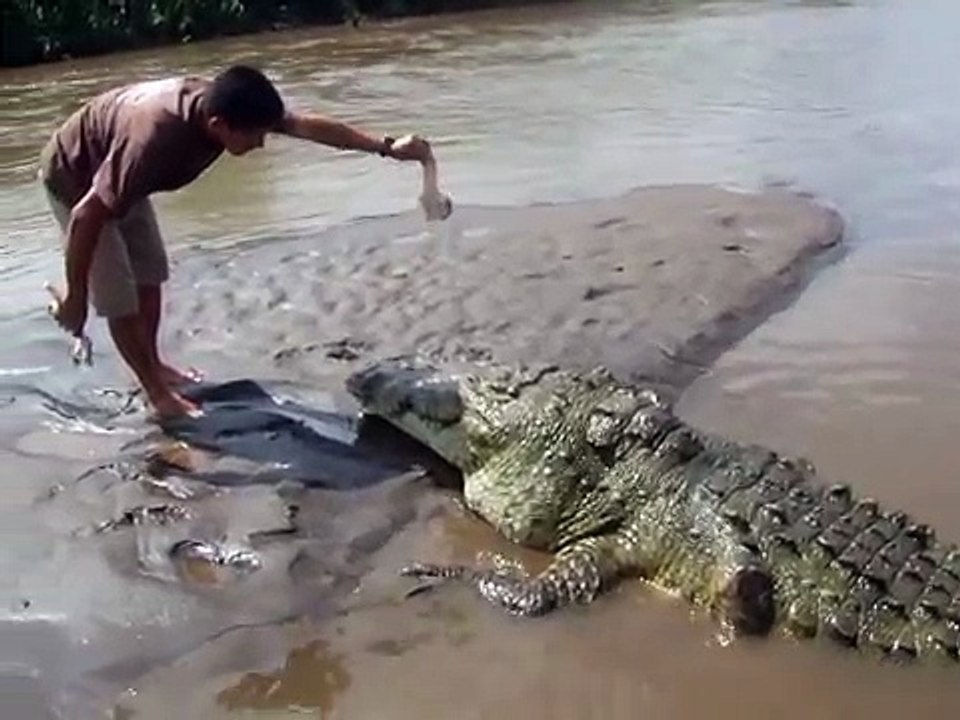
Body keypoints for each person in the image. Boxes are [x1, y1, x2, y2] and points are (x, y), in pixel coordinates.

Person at [39, 64, 434, 419]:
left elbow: (308, 127)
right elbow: (87, 215)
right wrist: (76, 297)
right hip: (74, 180)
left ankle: (155, 364)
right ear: (218, 125)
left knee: (150, 273)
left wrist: (385, 146)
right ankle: (157, 395)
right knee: (117, 299)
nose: (261, 144)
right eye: (255, 136)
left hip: (118, 173)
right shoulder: (155, 139)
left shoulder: (234, 105)